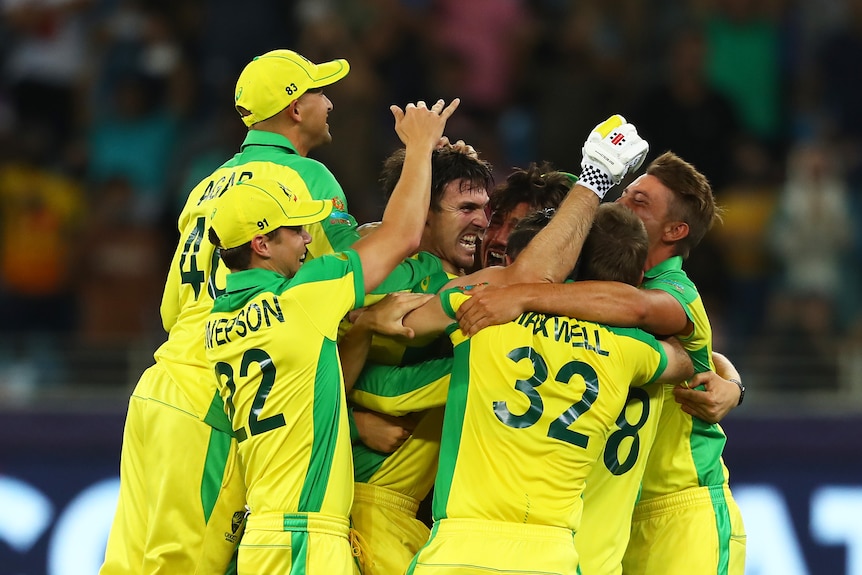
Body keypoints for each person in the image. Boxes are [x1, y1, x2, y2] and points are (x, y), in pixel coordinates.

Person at [100, 48, 359, 575]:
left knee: (128, 566)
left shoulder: (205, 184)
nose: (329, 101)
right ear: (293, 109)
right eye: (317, 91)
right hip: (216, 398)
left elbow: (173, 308)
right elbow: (352, 291)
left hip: (159, 387)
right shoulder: (305, 180)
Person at [455, 151, 747, 574]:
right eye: (625, 193)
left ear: (675, 230)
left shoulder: (673, 293)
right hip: (615, 513)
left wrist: (521, 293)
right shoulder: (595, 292)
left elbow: (642, 312)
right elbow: (696, 357)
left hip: (681, 506)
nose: (620, 205)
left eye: (640, 202)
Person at [203, 97, 458, 575]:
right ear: (261, 244)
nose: (307, 239)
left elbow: (306, 395)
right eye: (296, 230)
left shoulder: (215, 326)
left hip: (259, 538)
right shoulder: (303, 299)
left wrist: (361, 326)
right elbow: (401, 236)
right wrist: (420, 147)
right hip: (305, 539)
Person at [395, 202, 693, 574]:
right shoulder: (633, 350)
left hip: (462, 546)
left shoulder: (484, 309)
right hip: (555, 554)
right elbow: (687, 358)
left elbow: (402, 327)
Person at [341, 144, 493, 575]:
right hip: (364, 511)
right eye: (466, 207)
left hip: (397, 514)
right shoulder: (404, 278)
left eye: (485, 208)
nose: (483, 221)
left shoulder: (371, 260)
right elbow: (301, 374)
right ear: (422, 211)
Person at [479, 162, 573, 268]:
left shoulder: (585, 284)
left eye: (516, 228)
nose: (499, 239)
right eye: (495, 223)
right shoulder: (460, 282)